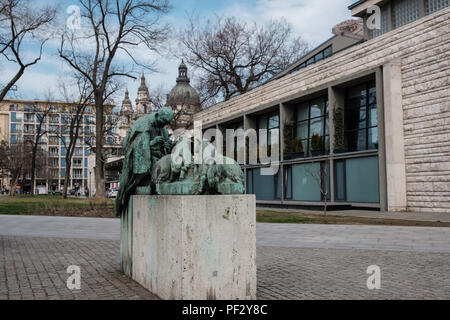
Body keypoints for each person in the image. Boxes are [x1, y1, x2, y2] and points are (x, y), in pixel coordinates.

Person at [115, 107, 174, 217]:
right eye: (164, 121)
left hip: (155, 154)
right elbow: (135, 146)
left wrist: (167, 145)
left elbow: (165, 147)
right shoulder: (144, 124)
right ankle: (130, 190)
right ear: (157, 115)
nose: (164, 125)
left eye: (167, 123)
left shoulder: (161, 127)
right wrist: (153, 142)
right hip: (139, 155)